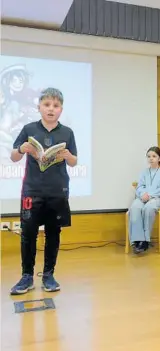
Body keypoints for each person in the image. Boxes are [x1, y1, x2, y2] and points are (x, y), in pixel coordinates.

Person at [10, 87, 78, 295]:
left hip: (57, 191)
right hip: (32, 190)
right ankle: (26, 276)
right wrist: (22, 149)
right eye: (47, 105)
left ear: (61, 110)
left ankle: (48, 274)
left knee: (53, 233)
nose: (51, 109)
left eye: (56, 106)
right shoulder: (29, 129)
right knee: (28, 234)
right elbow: (14, 156)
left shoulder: (67, 132)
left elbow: (74, 162)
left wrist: (67, 156)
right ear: (39, 107)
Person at [128, 146, 160, 254]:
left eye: (154, 156)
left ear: (159, 158)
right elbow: (140, 186)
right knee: (135, 207)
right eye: (149, 156)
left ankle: (145, 241)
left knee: (148, 208)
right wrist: (142, 194)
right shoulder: (144, 172)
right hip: (143, 197)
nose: (151, 158)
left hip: (157, 198)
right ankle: (137, 240)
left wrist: (150, 195)